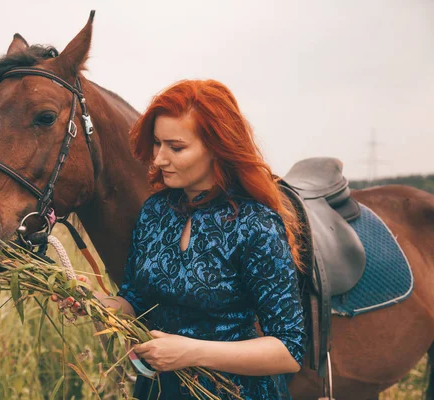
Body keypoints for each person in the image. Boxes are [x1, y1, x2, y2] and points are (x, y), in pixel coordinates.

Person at [66, 79, 306, 399]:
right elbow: (136, 299)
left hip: (234, 392)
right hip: (157, 389)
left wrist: (191, 353)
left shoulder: (256, 225)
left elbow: (288, 350)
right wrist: (96, 305)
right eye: (157, 143)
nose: (159, 159)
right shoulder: (155, 210)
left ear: (217, 148)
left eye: (176, 147)